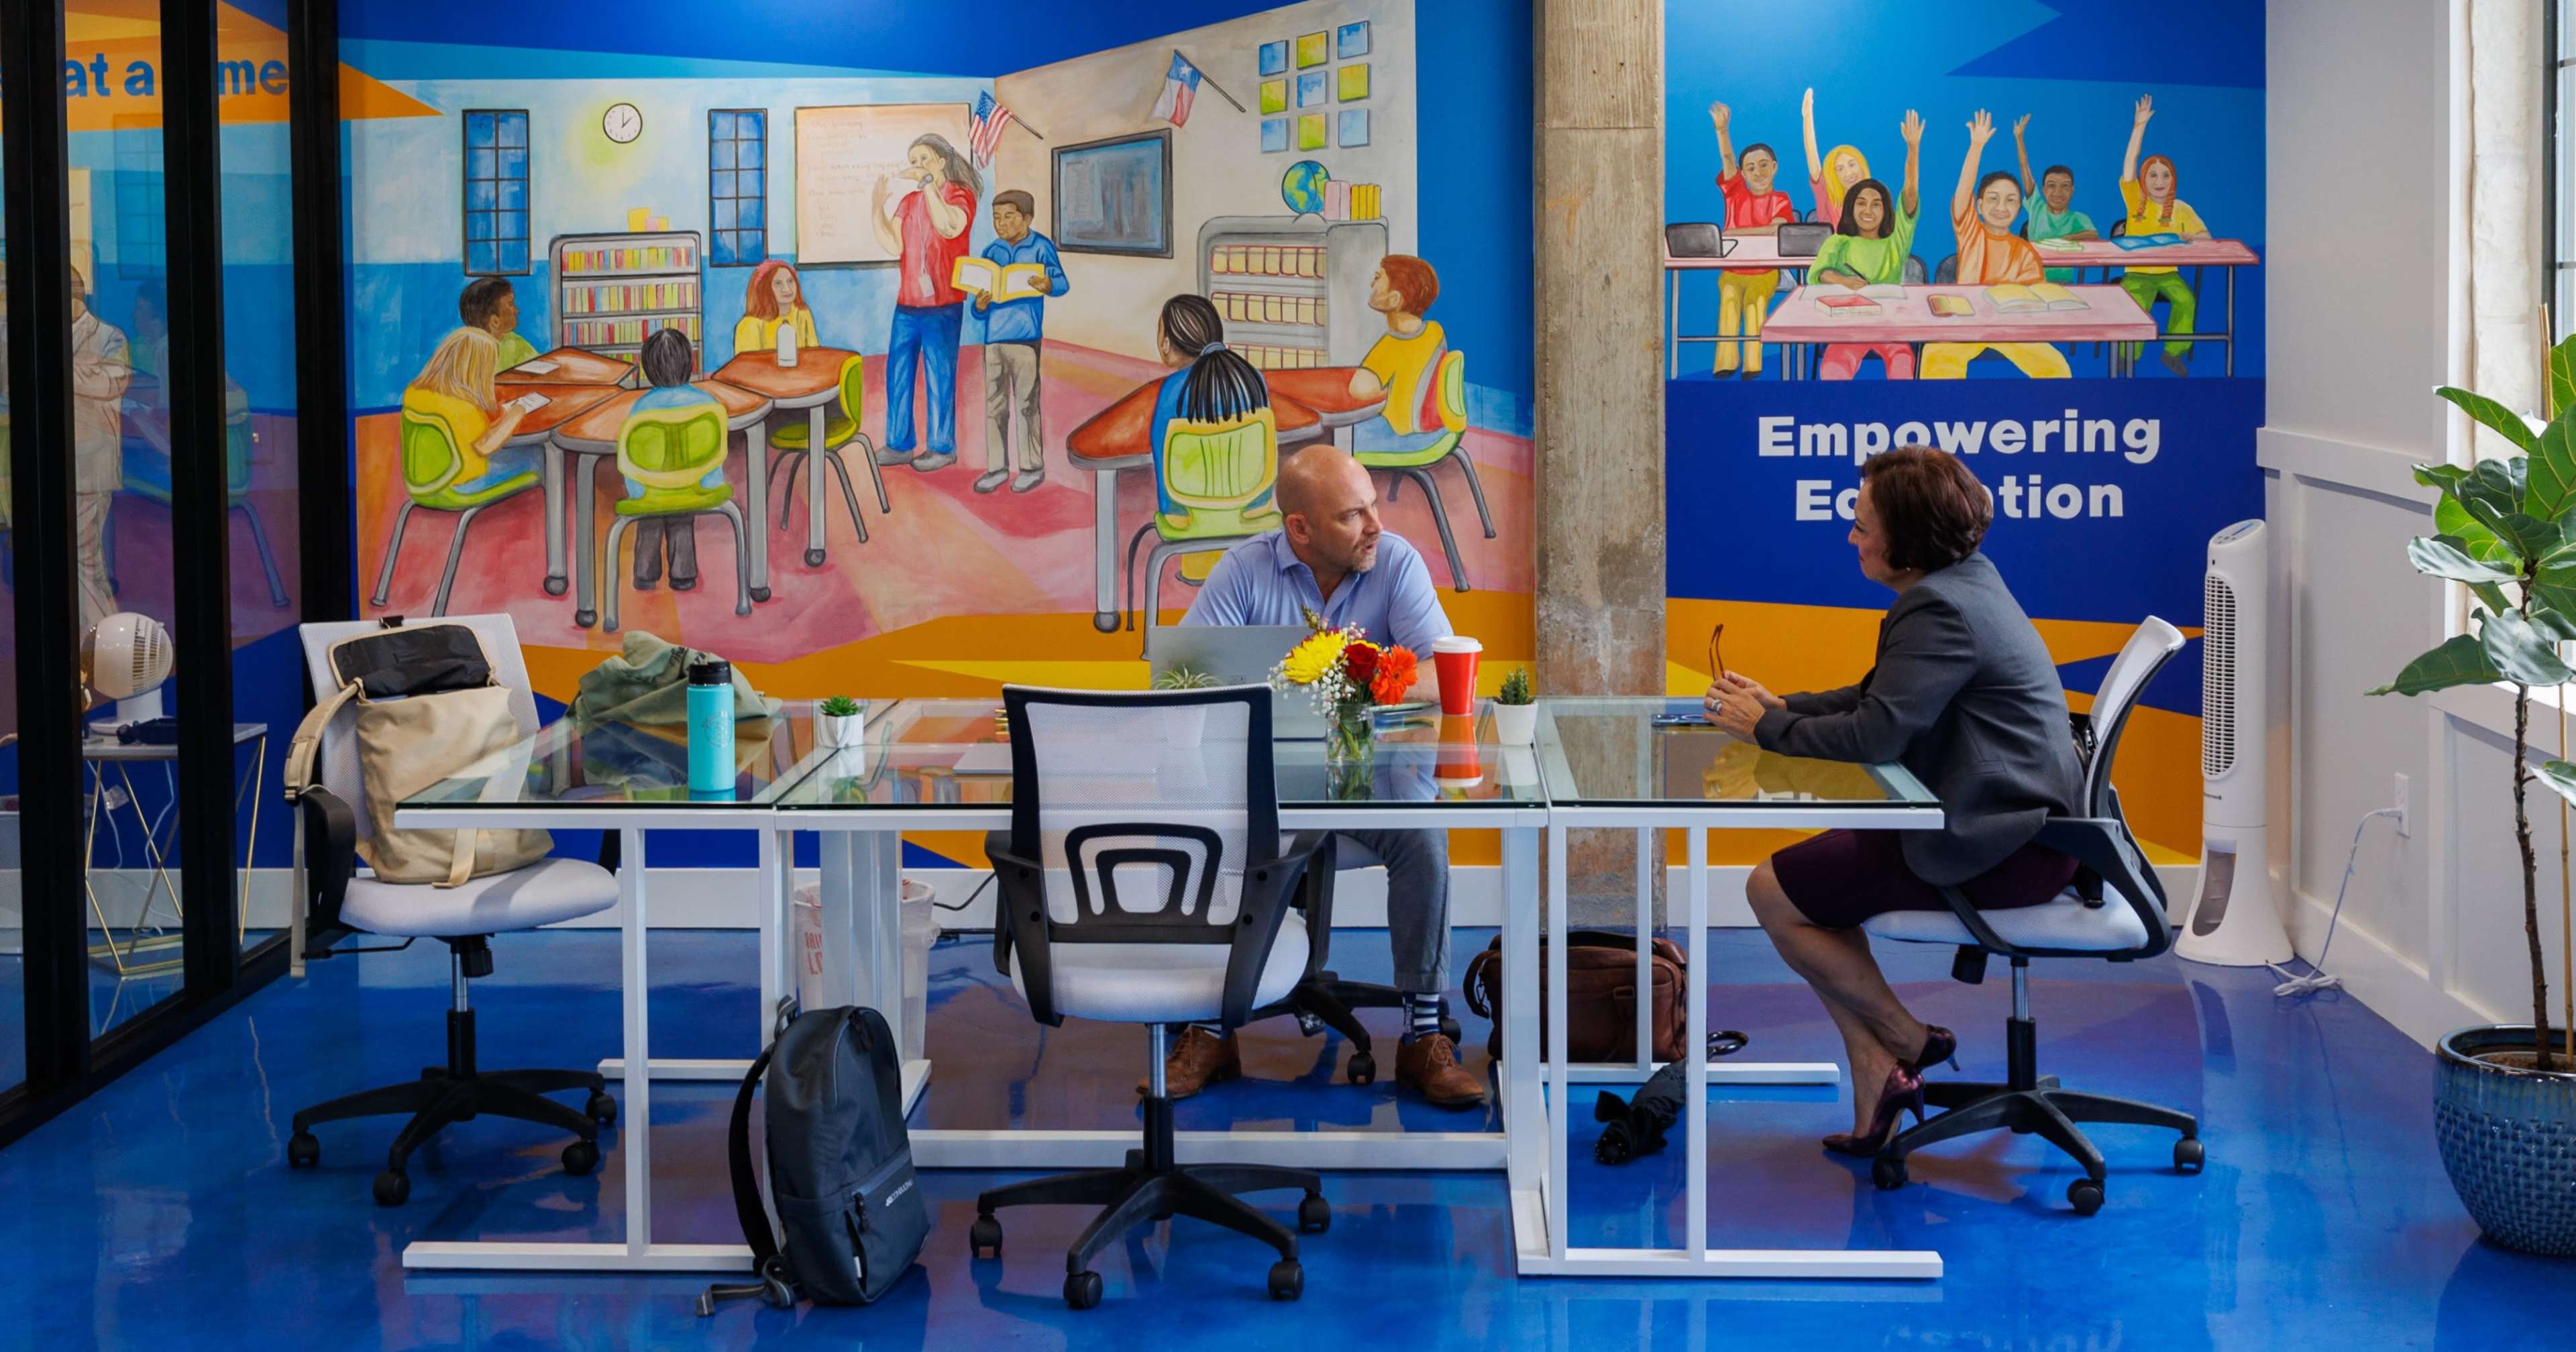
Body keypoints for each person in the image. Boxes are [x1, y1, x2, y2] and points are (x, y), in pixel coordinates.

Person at [1702, 446, 2082, 1158]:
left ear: (1908, 537)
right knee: (1809, 889)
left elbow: (1878, 732)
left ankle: (1908, 1040)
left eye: (1862, 524)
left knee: (1773, 892)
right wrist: (1781, 707)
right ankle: (1879, 1070)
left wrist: (1770, 729)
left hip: (2001, 847)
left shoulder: (1938, 607)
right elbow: (1885, 694)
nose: (1852, 537)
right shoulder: (1966, 584)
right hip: (2014, 823)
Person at [1175, 444, 1484, 1109]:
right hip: (1273, 790)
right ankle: (1207, 1028)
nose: (1375, 524)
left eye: (1373, 505)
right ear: (1300, 529)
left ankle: (1423, 1036)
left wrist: (1353, 681)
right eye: (1353, 514)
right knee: (1209, 826)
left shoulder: (1395, 561)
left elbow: (1440, 672)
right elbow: (1188, 679)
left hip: (1375, 787)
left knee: (1424, 836)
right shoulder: (1243, 572)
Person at [1919, 110, 2070, 380]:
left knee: (2056, 366)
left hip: (2012, 330)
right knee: (1935, 357)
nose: (2002, 207)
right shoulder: (1970, 233)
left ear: (2019, 207)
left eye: (2011, 200)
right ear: (1979, 205)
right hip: (1966, 327)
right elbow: (1963, 193)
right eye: (1993, 199)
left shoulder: (2026, 251)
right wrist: (1976, 147)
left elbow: (2035, 299)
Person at [871, 133, 981, 473]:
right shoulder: (909, 202)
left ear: (942, 161)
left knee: (940, 374)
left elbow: (949, 227)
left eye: (924, 159)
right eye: (913, 160)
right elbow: (893, 244)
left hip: (943, 305)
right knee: (898, 373)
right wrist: (877, 207)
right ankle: (899, 443)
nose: (917, 166)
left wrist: (930, 185)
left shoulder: (960, 195)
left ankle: (942, 447)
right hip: (907, 305)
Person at [1808, 111, 1924, 382]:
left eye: (1876, 204)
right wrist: (1840, 279)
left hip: (1890, 328)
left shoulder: (1896, 242)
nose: (1868, 210)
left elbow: (1909, 193)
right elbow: (1817, 273)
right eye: (1861, 203)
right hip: (1849, 328)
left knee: (1903, 361)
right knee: (1833, 367)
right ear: (1851, 208)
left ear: (1887, 211)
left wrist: (1913, 149)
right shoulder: (1839, 242)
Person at [1144, 293, 1273, 531]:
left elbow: (1162, 455)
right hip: (1252, 509)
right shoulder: (1252, 378)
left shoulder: (1172, 390)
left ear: (1168, 342)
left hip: (1186, 516)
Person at [971, 189, 1067, 494]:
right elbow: (976, 308)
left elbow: (1062, 284)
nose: (1001, 224)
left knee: (1027, 404)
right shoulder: (991, 252)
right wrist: (981, 305)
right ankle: (997, 468)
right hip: (993, 340)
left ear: (1026, 218)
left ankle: (1031, 467)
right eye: (996, 218)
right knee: (994, 406)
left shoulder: (1041, 247)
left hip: (1026, 339)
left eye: (1008, 217)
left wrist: (1048, 284)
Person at [619, 327, 724, 591]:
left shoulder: (640, 409)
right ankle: (683, 575)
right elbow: (715, 454)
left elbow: (632, 456)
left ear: (648, 369)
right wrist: (709, 482)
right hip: (694, 487)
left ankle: (644, 575)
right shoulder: (707, 403)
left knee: (650, 520)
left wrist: (637, 490)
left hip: (650, 491)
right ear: (690, 363)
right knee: (681, 517)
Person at [2117, 95, 2210, 377]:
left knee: (2186, 300)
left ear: (2173, 180)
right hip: (2137, 274)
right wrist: (2139, 127)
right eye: (2153, 176)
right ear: (2143, 180)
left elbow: (2206, 235)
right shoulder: (2135, 201)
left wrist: (2192, 238)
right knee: (2135, 308)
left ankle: (2173, 353)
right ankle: (2126, 358)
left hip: (2168, 274)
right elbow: (2131, 161)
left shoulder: (2181, 208)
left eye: (2165, 176)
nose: (2159, 182)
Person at [400, 327, 543, 505]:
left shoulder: (414, 393)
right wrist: (517, 411)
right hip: (461, 486)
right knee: (540, 457)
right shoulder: (464, 409)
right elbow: (486, 446)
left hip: (425, 486)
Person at [1707, 101, 1796, 378]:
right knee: (1730, 299)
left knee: (1755, 302)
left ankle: (1753, 365)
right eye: (1751, 167)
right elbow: (1726, 157)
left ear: (1775, 167)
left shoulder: (1781, 199)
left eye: (1764, 165)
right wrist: (1722, 130)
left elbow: (1777, 229)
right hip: (1733, 271)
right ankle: (1725, 362)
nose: (1758, 172)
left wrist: (1733, 235)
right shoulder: (1734, 193)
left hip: (1765, 272)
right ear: (1742, 173)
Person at [70, 268, 132, 628]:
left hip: (90, 466)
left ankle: (103, 642)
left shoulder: (110, 336)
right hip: (56, 461)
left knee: (85, 560)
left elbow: (112, 382)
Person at [1343, 254, 1448, 453]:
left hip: (1401, 437)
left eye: (1378, 278)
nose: (1371, 284)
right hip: (1437, 432)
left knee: (1336, 443)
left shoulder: (1391, 346)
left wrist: (1385, 388)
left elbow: (1358, 389)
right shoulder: (1435, 331)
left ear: (1394, 299)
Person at [2010, 114, 2098, 285]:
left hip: (2063, 283)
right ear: (2043, 189)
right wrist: (2019, 138)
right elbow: (2024, 167)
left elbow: (2094, 235)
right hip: (2033, 279)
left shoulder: (2079, 218)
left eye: (2065, 186)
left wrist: (2065, 240)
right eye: (2051, 186)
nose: (2058, 193)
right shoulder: (2036, 206)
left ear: (2072, 190)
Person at [1798, 87, 1872, 228]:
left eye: (1852, 165)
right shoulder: (1828, 195)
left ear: (1862, 166)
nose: (1848, 173)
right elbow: (1811, 153)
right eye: (1840, 169)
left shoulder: (1874, 199)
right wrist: (1807, 117)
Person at [731, 260, 820, 361]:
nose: (787, 289)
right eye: (778, 283)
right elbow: (748, 368)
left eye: (790, 281)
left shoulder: (803, 314)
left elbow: (814, 355)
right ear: (764, 288)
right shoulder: (749, 325)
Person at [458, 276, 540, 372]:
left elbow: (538, 364)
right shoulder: (471, 352)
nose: (517, 311)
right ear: (495, 322)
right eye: (511, 304)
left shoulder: (515, 341)